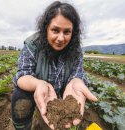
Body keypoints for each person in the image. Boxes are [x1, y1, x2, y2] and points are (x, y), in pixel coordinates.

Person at [11, 1, 98, 130]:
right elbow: (22, 75)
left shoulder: (76, 50)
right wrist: (39, 84)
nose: (60, 38)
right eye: (55, 30)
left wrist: (76, 81)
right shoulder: (32, 45)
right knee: (20, 96)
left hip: (62, 93)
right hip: (39, 91)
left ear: (73, 33)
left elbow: (77, 74)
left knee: (52, 123)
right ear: (46, 28)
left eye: (67, 32)